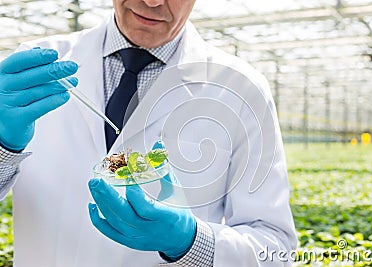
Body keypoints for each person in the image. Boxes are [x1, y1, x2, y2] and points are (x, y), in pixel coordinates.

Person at [0, 0, 297, 266]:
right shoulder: (34, 66)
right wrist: (4, 147)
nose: (152, 1)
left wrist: (190, 242)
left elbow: (275, 247)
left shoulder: (241, 89)